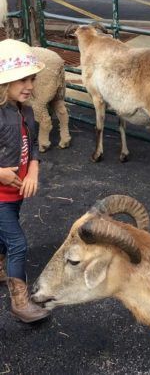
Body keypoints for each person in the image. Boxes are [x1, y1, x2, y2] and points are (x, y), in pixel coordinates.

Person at [0, 39, 50, 323]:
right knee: (17, 243)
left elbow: (32, 146)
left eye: (31, 78)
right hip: (0, 194)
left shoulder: (27, 112)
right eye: (21, 80)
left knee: (4, 237)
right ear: (4, 82)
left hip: (13, 193)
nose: (29, 85)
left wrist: (32, 171)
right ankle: (20, 301)